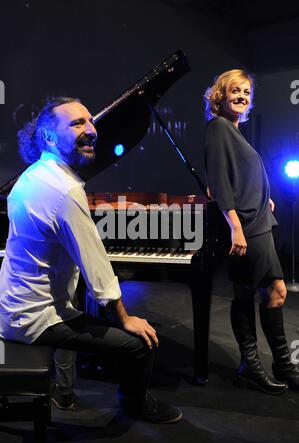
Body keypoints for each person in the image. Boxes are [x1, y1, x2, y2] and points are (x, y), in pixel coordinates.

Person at [0, 96, 182, 423]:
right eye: (77, 123)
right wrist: (125, 319)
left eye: (91, 120)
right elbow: (97, 270)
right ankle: (135, 404)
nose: (92, 129)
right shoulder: (65, 191)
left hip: (12, 308)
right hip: (36, 319)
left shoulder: (29, 178)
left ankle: (69, 388)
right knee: (139, 345)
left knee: (85, 310)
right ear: (49, 138)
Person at [203, 69, 299, 394]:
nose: (242, 96)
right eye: (235, 91)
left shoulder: (234, 130)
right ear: (221, 95)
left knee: (275, 292)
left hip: (258, 222)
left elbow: (243, 176)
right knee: (248, 293)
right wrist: (235, 228)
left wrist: (264, 198)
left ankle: (282, 365)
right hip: (245, 227)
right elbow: (219, 180)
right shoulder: (218, 128)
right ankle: (250, 365)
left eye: (246, 92)